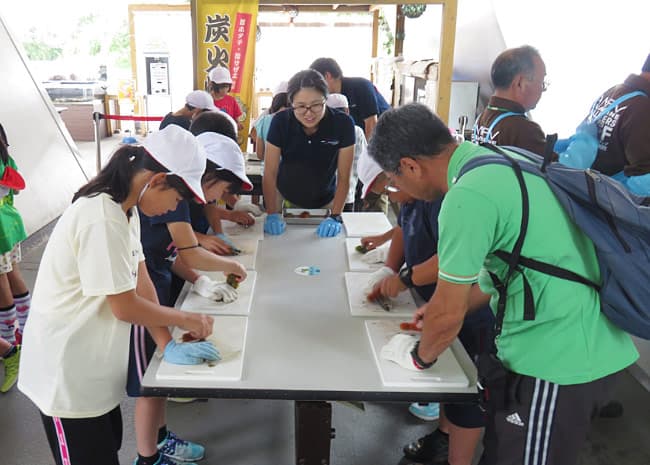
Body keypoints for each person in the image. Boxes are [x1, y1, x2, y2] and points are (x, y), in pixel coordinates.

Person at [369, 103, 638, 465]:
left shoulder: (467, 196)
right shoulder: (498, 158)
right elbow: (507, 269)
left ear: (410, 166)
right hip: (568, 341)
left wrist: (418, 357)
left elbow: (447, 318)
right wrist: (447, 307)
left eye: (393, 179)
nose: (395, 188)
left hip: (557, 357)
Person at [18, 125, 220, 465]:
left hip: (94, 371)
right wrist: (186, 318)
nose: (174, 208)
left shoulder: (127, 211)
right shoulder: (100, 217)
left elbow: (142, 283)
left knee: (105, 451)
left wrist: (166, 341)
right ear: (156, 180)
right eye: (177, 198)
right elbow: (124, 307)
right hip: (66, 378)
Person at [361, 149, 493, 465]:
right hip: (438, 302)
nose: (391, 196)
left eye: (391, 185)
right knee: (448, 381)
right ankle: (444, 436)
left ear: (409, 170)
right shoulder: (411, 200)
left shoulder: (444, 201)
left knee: (467, 391)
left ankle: (457, 458)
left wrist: (405, 279)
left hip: (471, 308)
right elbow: (402, 232)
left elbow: (451, 257)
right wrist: (389, 270)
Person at [130, 127, 249, 465]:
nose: (213, 200)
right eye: (222, 189)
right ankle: (147, 456)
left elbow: (173, 255)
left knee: (160, 378)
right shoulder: (167, 196)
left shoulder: (170, 193)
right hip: (144, 297)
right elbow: (189, 252)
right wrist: (226, 267)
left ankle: (161, 438)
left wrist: (199, 282)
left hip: (158, 285)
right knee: (148, 382)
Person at [262, 69, 355, 238]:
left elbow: (344, 176)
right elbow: (270, 172)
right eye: (300, 106)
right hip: (284, 197)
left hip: (326, 199)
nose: (309, 113)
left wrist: (335, 215)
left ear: (326, 99)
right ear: (291, 103)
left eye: (316, 105)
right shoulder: (280, 122)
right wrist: (271, 213)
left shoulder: (343, 124)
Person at [584, 53, 650, 194]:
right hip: (614, 206)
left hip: (589, 193)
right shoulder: (643, 108)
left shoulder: (613, 92)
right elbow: (643, 178)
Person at [471, 45, 549, 155]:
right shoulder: (524, 130)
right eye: (542, 83)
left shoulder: (482, 118)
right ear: (520, 83)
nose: (543, 89)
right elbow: (556, 170)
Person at [0, 124, 31, 349]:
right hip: (10, 223)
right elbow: (16, 189)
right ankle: (27, 328)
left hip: (1, 230)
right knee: (13, 275)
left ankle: (9, 342)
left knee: (1, 286)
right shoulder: (6, 158)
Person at [310, 57, 389, 141]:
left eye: (315, 82)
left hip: (386, 135)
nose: (315, 87)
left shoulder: (361, 86)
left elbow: (371, 125)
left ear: (327, 76)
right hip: (362, 137)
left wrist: (365, 153)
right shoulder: (332, 98)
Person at [325, 93, 367, 212]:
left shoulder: (321, 131)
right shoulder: (356, 131)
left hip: (324, 196)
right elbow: (364, 161)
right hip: (347, 195)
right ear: (347, 110)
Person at [208, 67, 244, 131]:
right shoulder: (206, 100)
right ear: (212, 84)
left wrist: (238, 125)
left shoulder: (231, 101)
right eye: (221, 87)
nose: (225, 90)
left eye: (227, 87)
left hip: (228, 136)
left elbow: (236, 120)